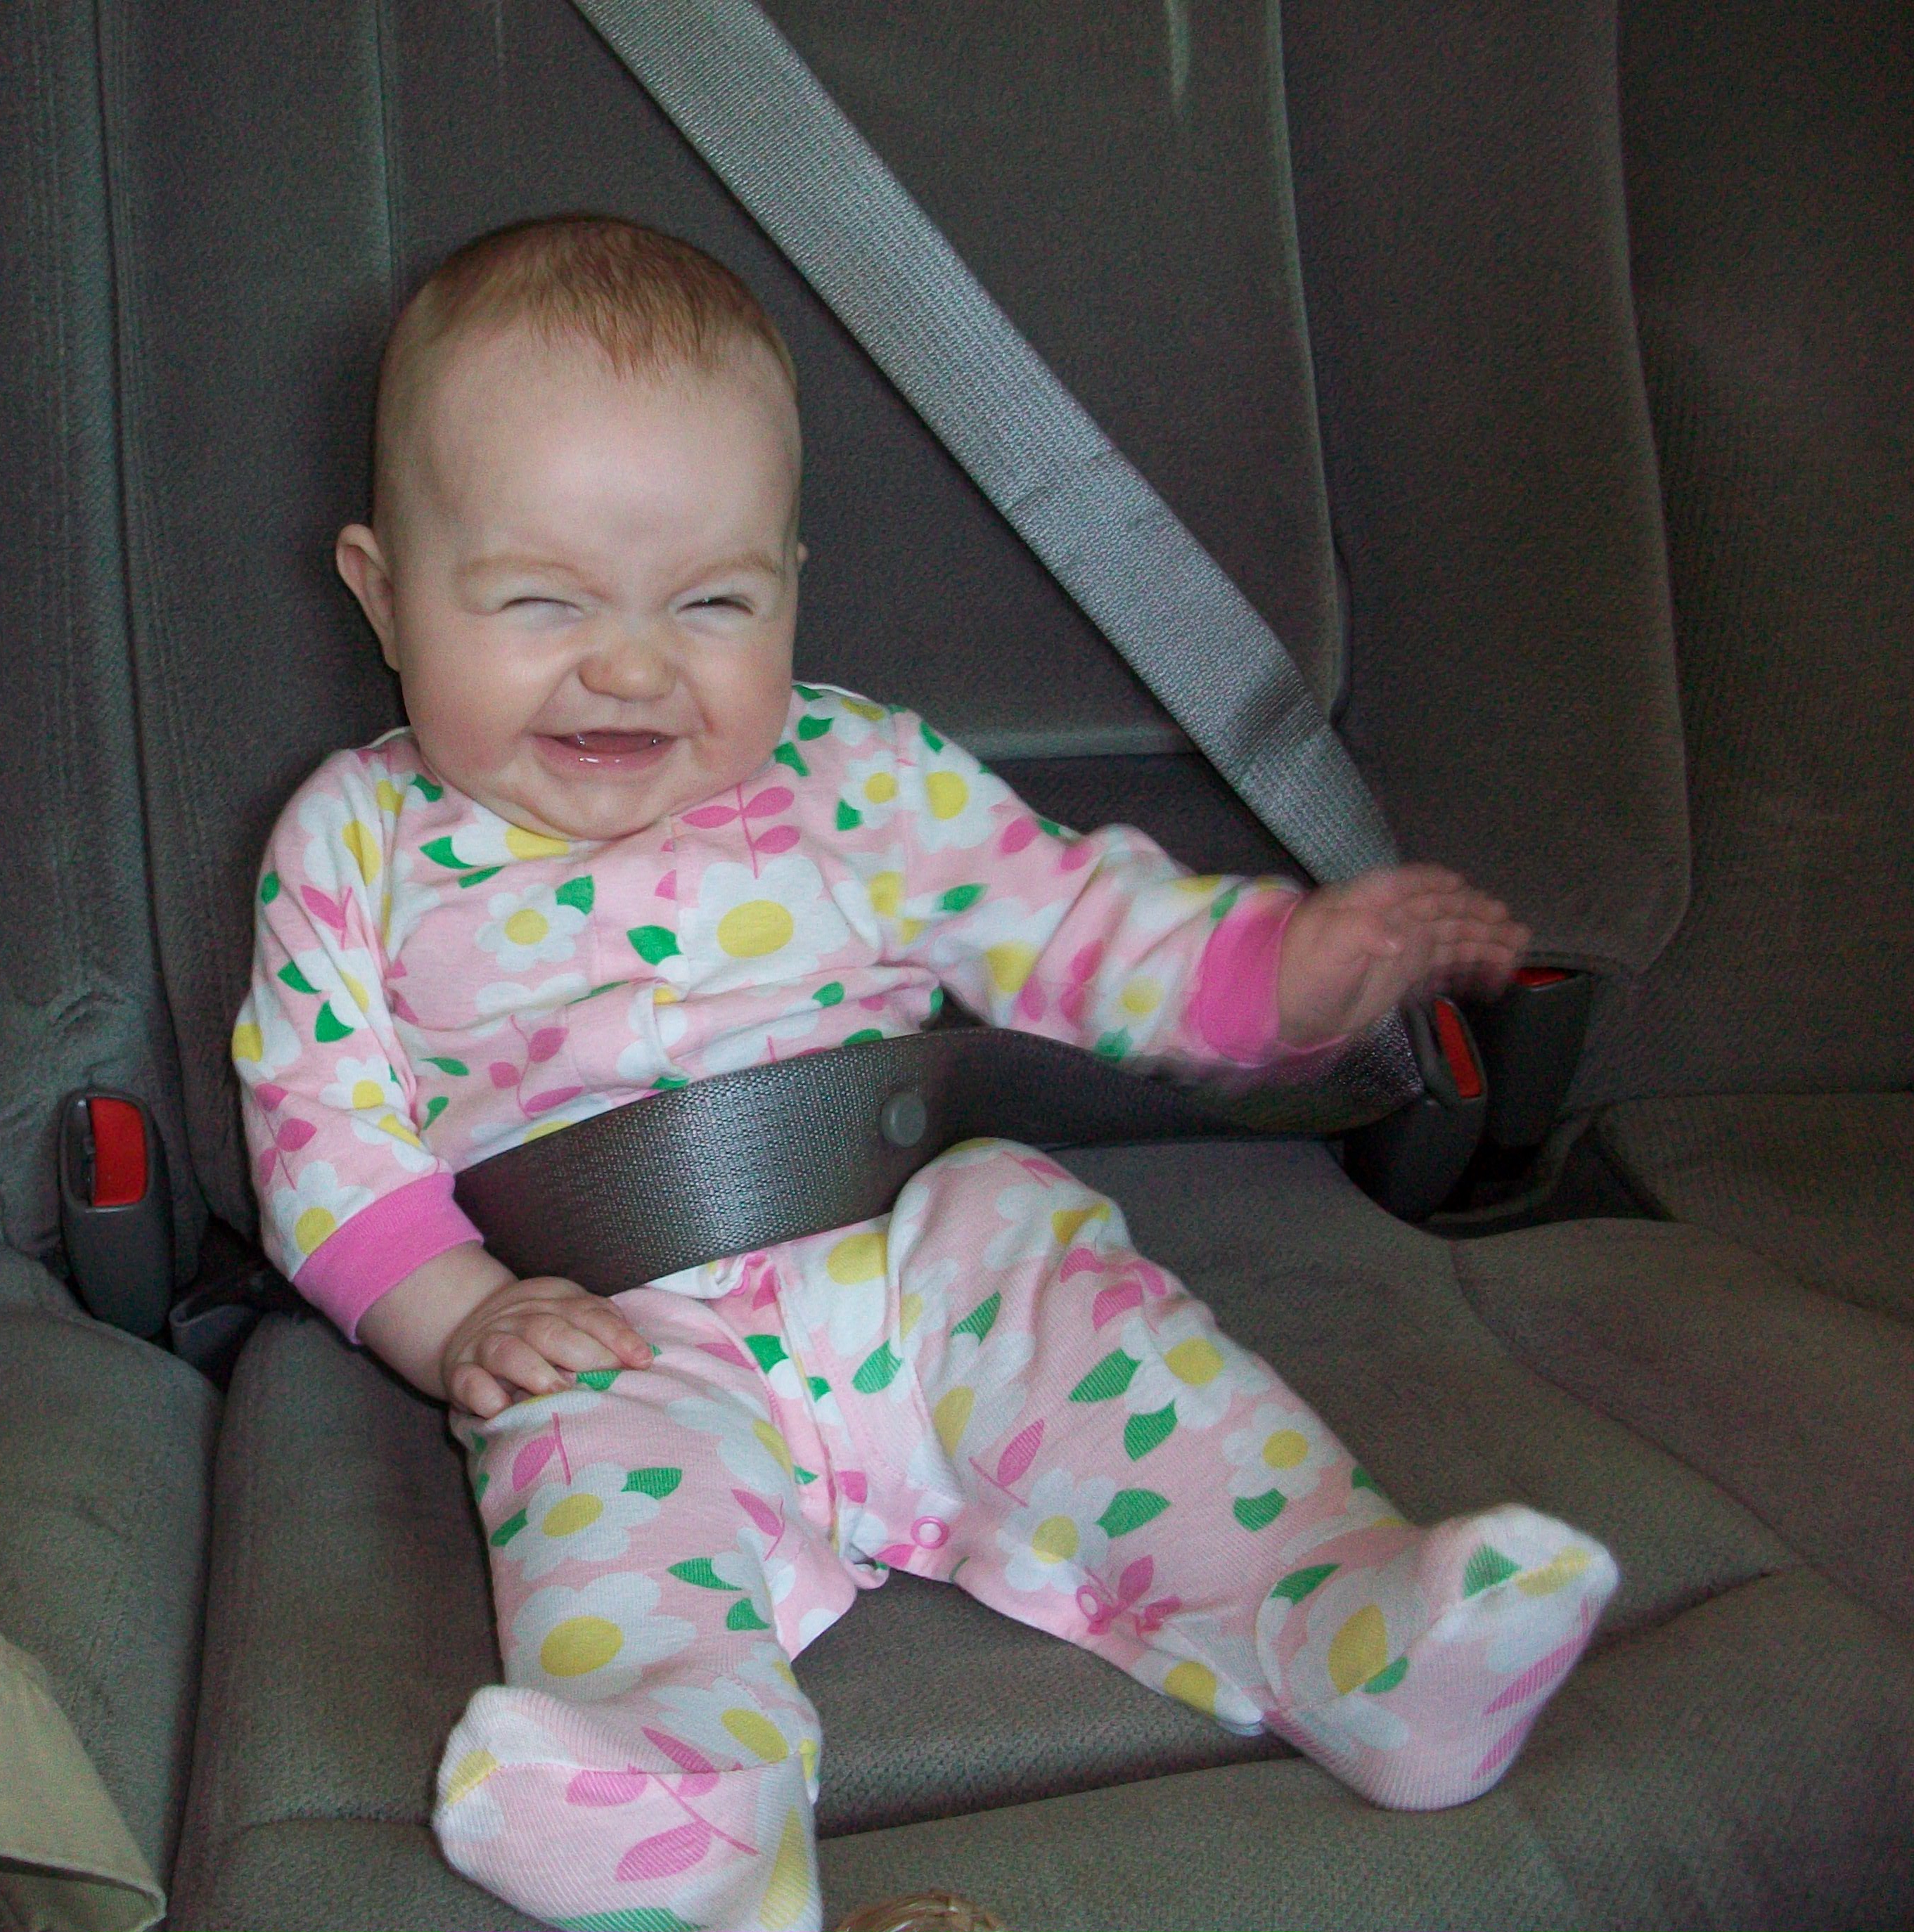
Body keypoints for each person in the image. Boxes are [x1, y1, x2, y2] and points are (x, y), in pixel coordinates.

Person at [233, 215, 1616, 1932]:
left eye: (713, 602)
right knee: (589, 1495)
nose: (632, 665)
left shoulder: (857, 772)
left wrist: (1280, 972)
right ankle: (680, 1795)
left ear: (790, 586)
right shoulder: (356, 839)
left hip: (914, 1265)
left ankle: (1345, 1628)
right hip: (612, 1329)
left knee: (1082, 1315)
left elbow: (1070, 923)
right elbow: (318, 1129)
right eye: (539, 602)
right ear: (381, 593)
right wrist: (461, 1319)